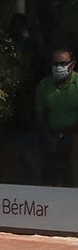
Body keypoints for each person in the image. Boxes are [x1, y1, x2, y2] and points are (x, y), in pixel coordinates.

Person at [34, 48, 78, 187]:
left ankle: (72, 190)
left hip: (73, 133)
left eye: (63, 63)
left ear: (72, 64)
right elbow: (40, 118)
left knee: (72, 145)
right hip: (50, 133)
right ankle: (46, 195)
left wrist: (62, 136)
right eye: (55, 63)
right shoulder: (44, 85)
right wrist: (50, 137)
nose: (59, 67)